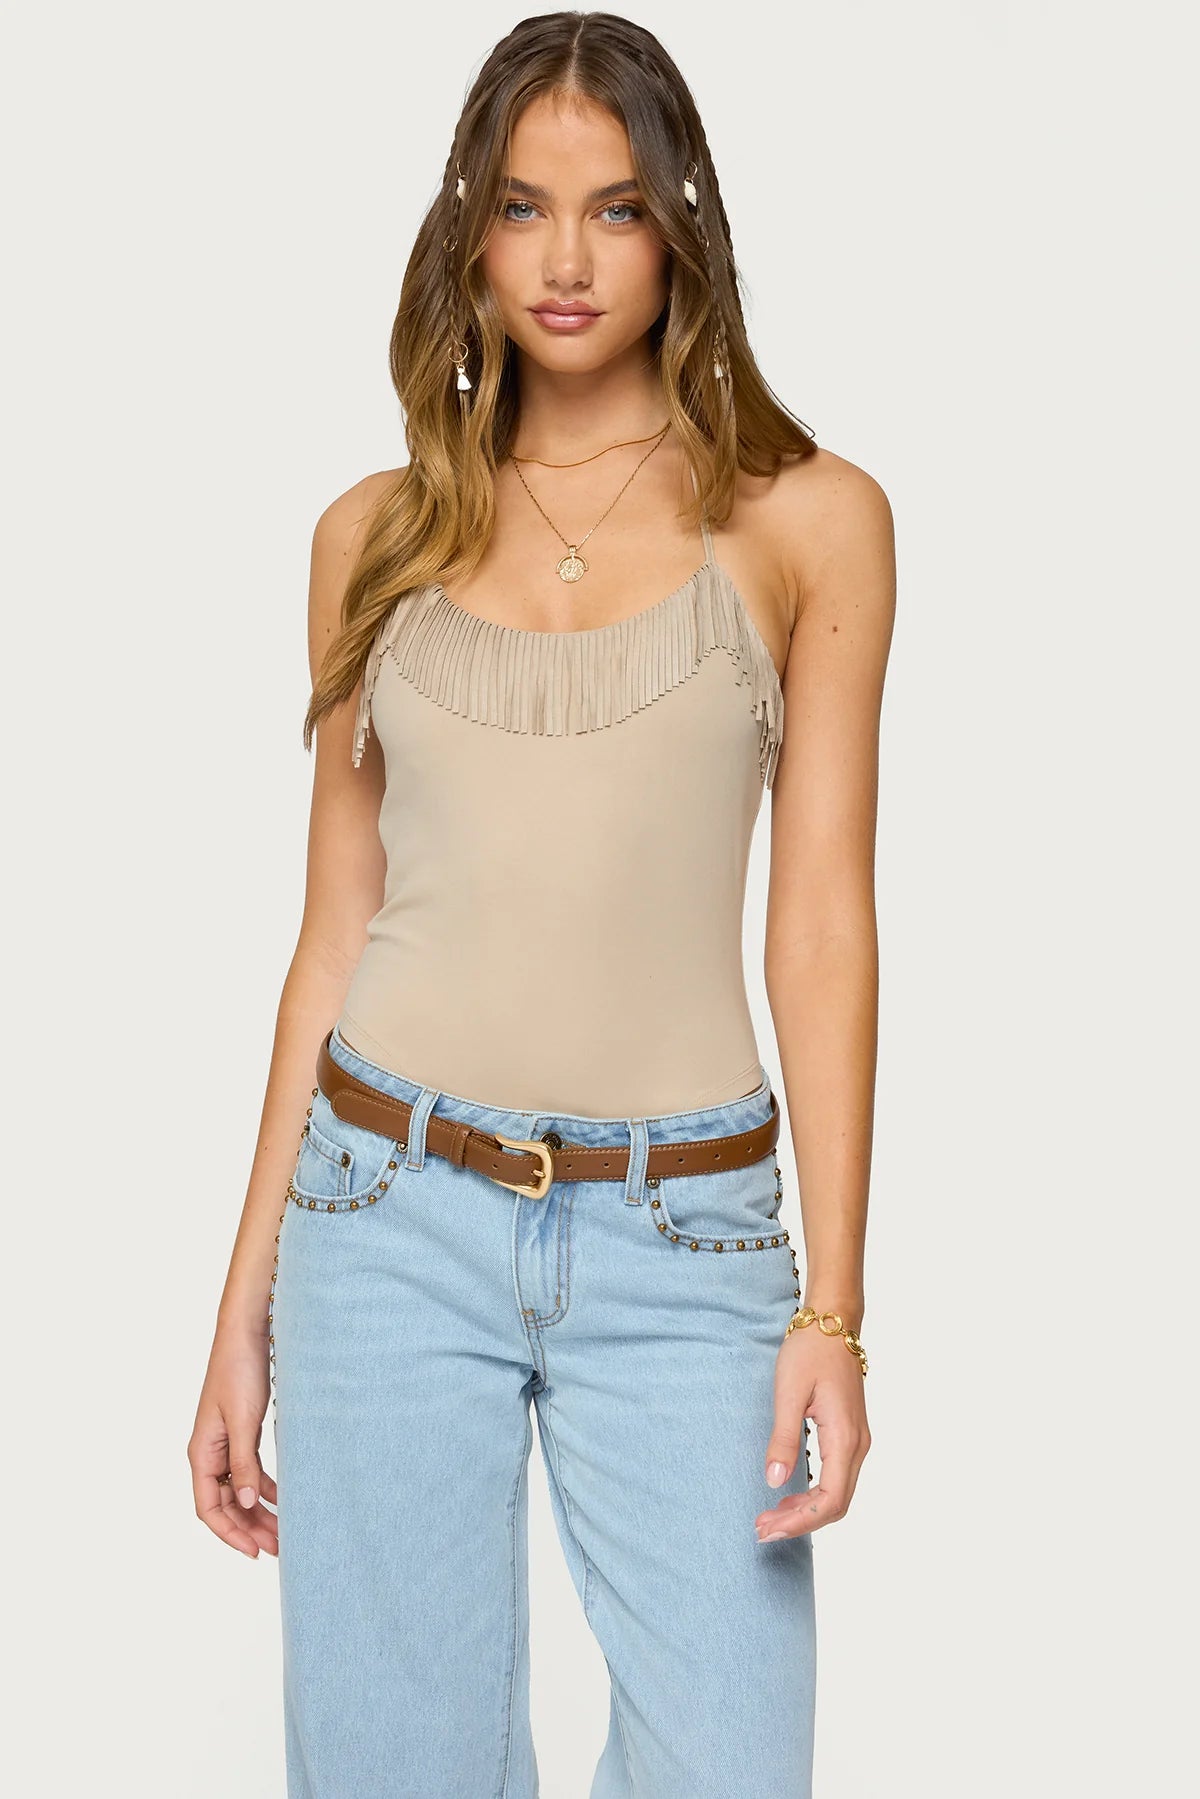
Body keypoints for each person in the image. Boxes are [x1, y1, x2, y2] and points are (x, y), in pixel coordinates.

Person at [187, 12, 895, 1796]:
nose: (568, 259)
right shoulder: (373, 537)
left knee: (730, 1762)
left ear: (681, 229)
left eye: (616, 207)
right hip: (381, 1209)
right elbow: (332, 935)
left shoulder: (812, 522)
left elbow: (821, 925)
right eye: (523, 206)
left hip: (690, 1236)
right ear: (470, 232)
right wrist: (242, 1300)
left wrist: (834, 1309)